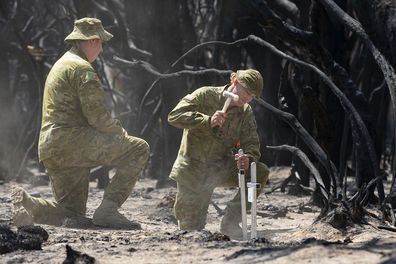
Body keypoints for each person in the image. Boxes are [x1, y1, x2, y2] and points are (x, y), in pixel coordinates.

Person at [12, 17, 149, 230]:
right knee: (139, 148)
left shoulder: (61, 64)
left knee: (72, 214)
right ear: (92, 41)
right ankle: (108, 211)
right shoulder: (82, 69)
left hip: (51, 147)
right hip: (73, 142)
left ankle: (30, 205)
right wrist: (118, 130)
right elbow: (97, 117)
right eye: (101, 43)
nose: (101, 49)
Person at [168, 69, 270, 239]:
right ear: (235, 82)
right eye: (247, 92)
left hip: (220, 167)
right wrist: (206, 120)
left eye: (253, 96)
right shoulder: (205, 95)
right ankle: (192, 221)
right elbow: (174, 116)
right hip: (193, 169)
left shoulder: (245, 111)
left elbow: (251, 142)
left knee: (258, 172)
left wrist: (248, 157)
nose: (248, 98)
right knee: (191, 229)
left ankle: (232, 219)